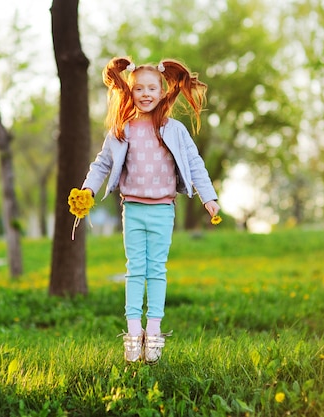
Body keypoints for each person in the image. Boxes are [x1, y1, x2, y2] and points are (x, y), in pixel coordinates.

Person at [80, 56, 220, 364]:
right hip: (132, 208)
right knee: (135, 271)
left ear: (162, 89)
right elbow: (102, 163)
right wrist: (87, 189)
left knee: (156, 271)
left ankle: (154, 331)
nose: (145, 94)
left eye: (151, 88)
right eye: (139, 89)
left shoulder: (175, 130)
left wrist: (208, 197)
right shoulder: (123, 129)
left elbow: (195, 164)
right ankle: (133, 332)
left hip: (163, 210)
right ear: (130, 93)